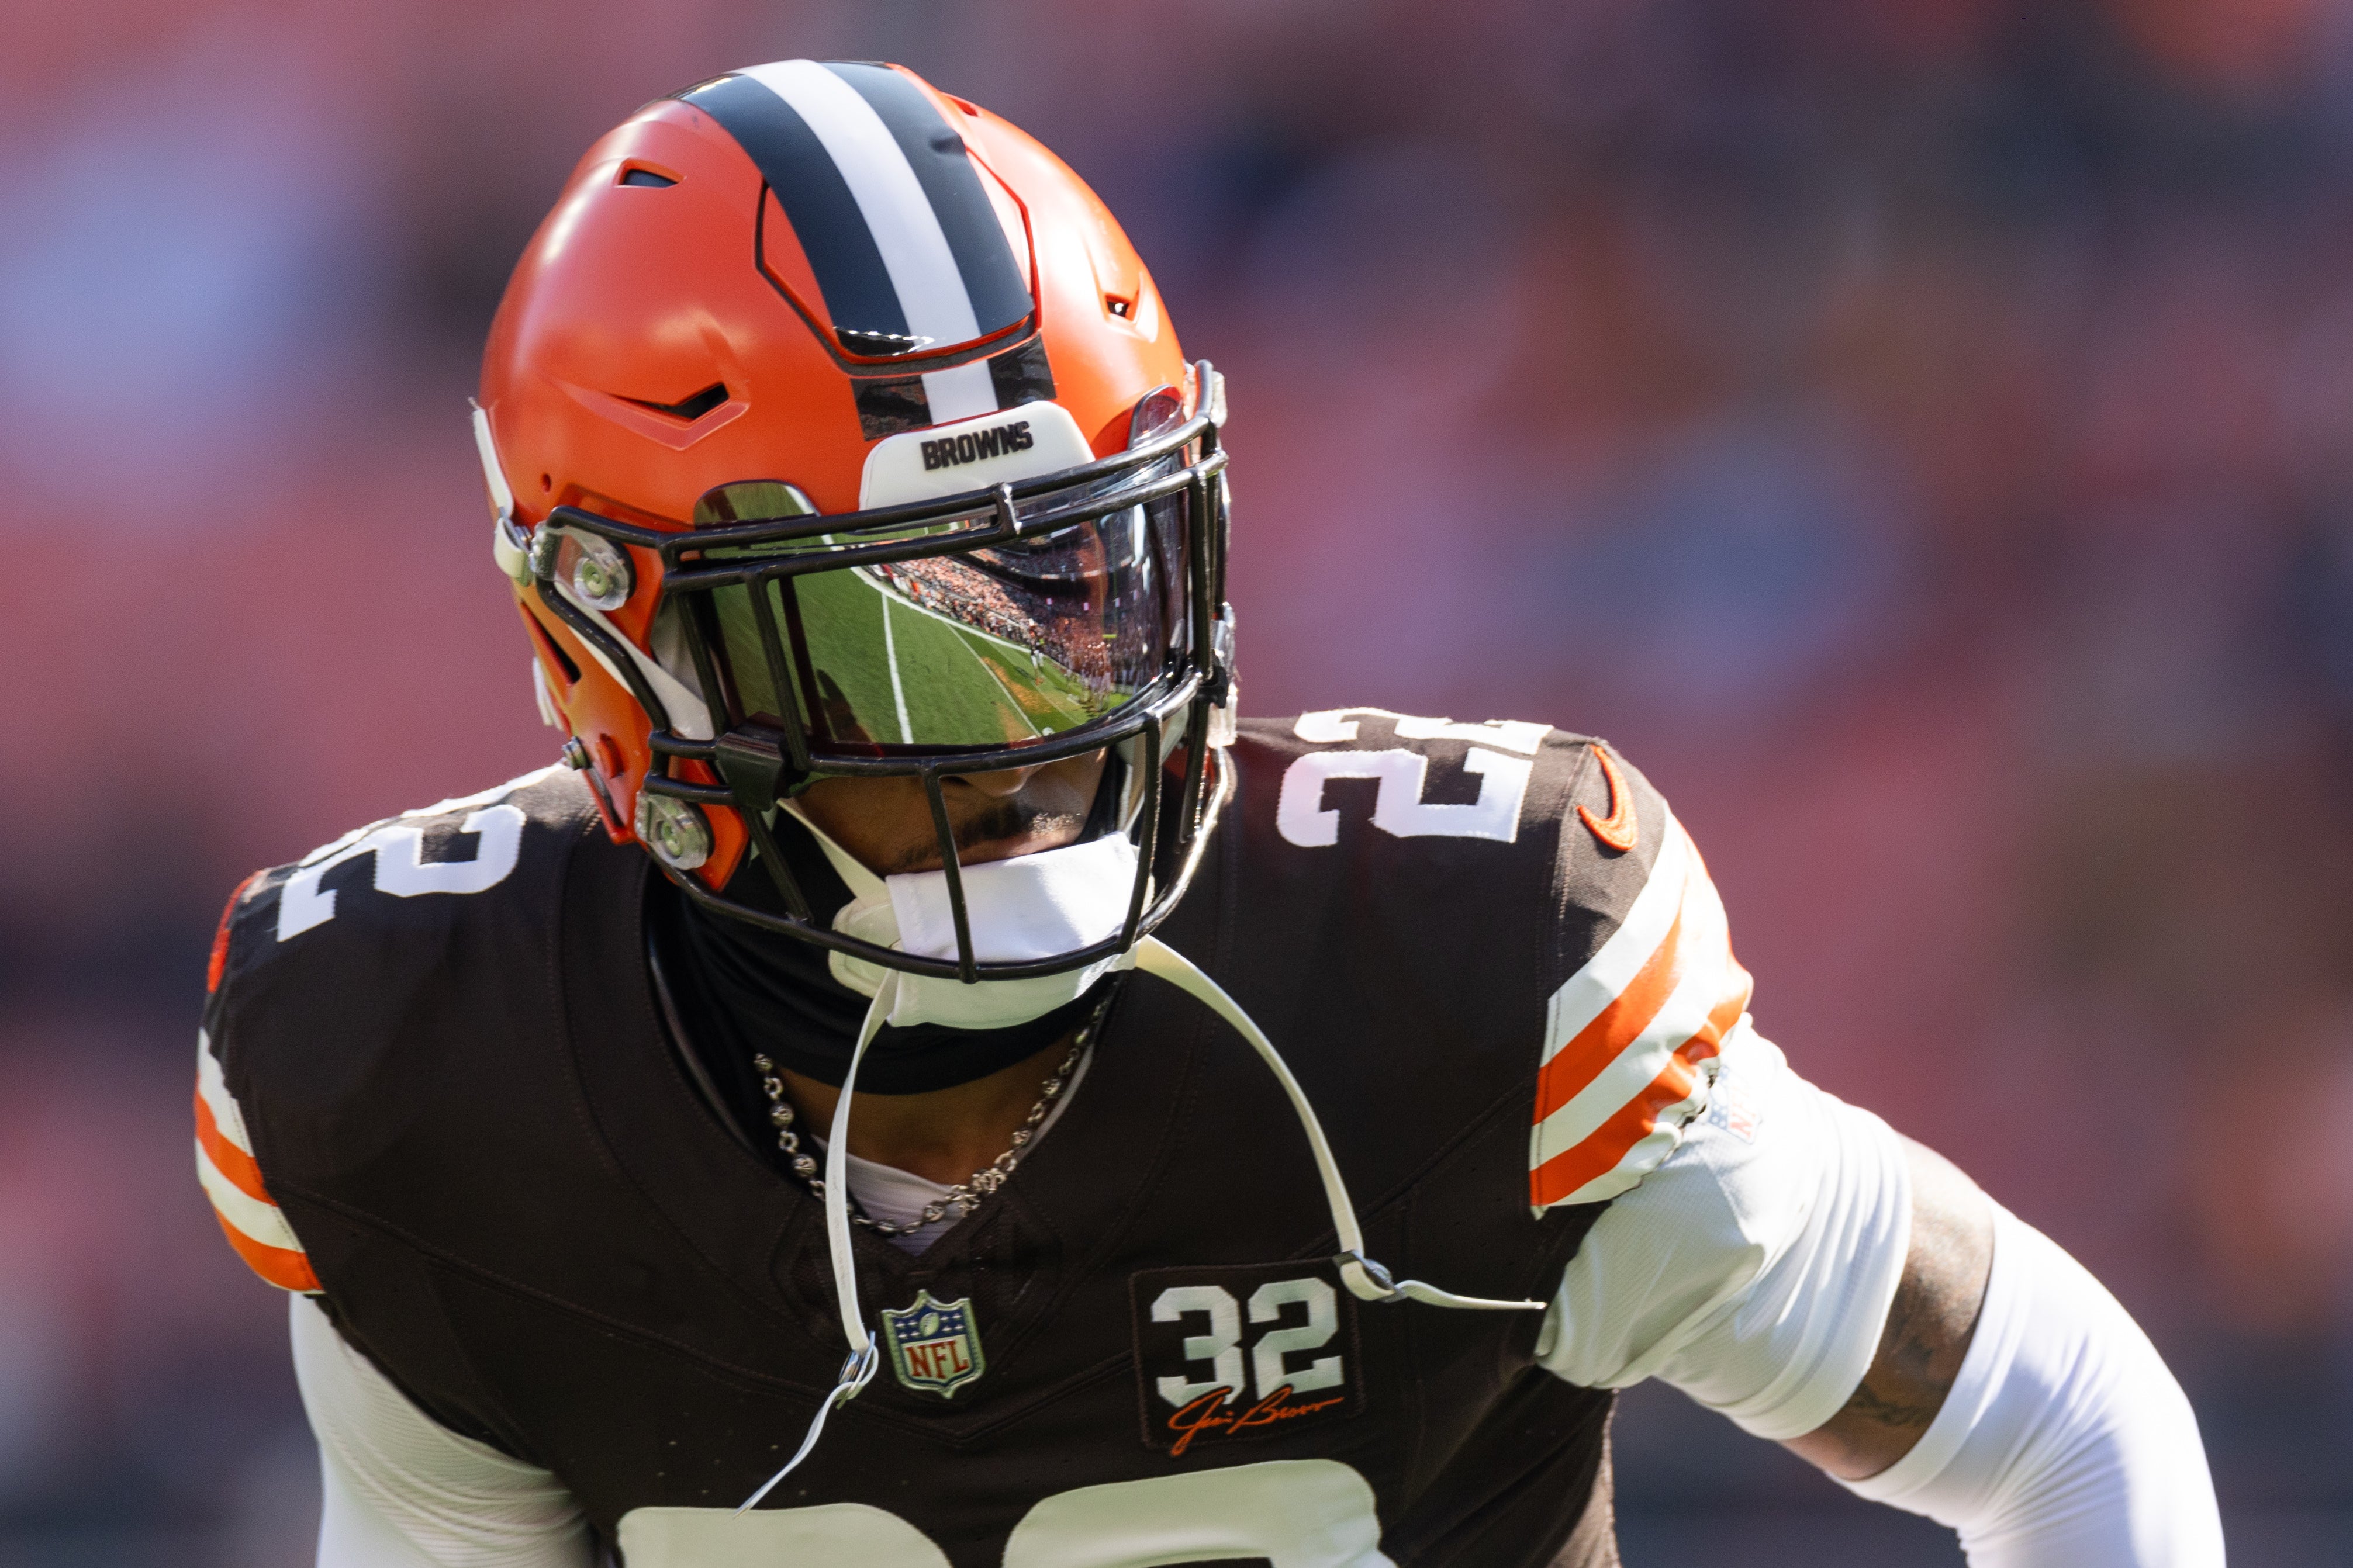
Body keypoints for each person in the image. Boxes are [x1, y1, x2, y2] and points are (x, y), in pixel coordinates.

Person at [193, 58, 2226, 1567]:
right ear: (610, 652)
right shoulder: (416, 1066)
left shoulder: (1459, 963)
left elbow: (2058, 1426)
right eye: (892, 651)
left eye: (1078, 591)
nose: (1025, 735)